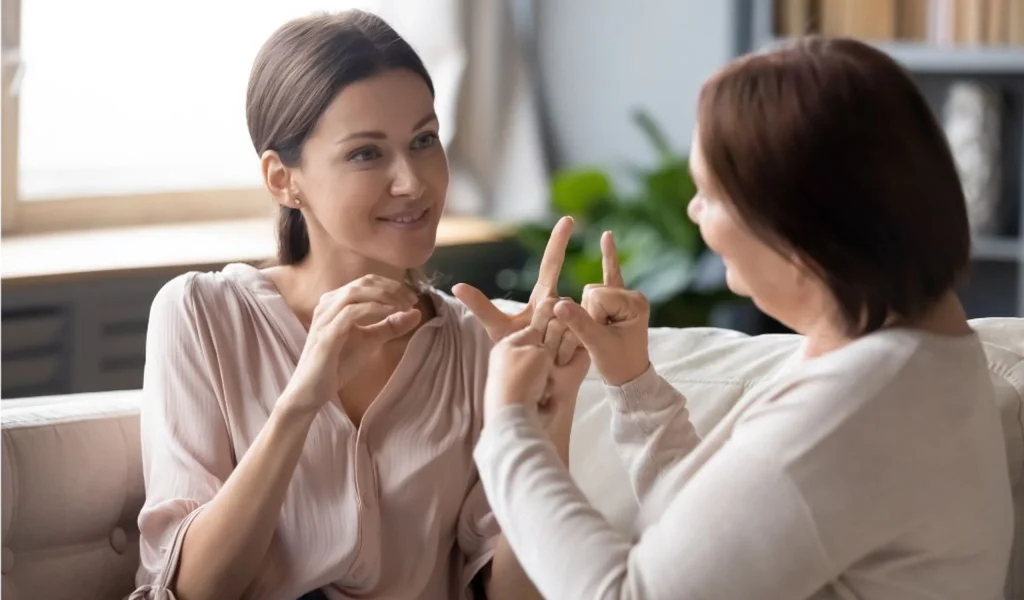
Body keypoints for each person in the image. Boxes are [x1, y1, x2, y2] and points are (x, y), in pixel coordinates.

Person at [472, 36, 1015, 599]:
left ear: (798, 232)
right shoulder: (908, 344)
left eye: (709, 194)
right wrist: (633, 385)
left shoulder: (864, 402)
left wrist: (509, 428)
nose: (692, 211)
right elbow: (716, 548)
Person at [130, 10, 581, 600]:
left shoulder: (474, 342)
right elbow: (191, 590)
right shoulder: (202, 315)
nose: (413, 182)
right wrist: (302, 399)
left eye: (424, 141)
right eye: (367, 154)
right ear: (282, 179)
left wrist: (543, 428)